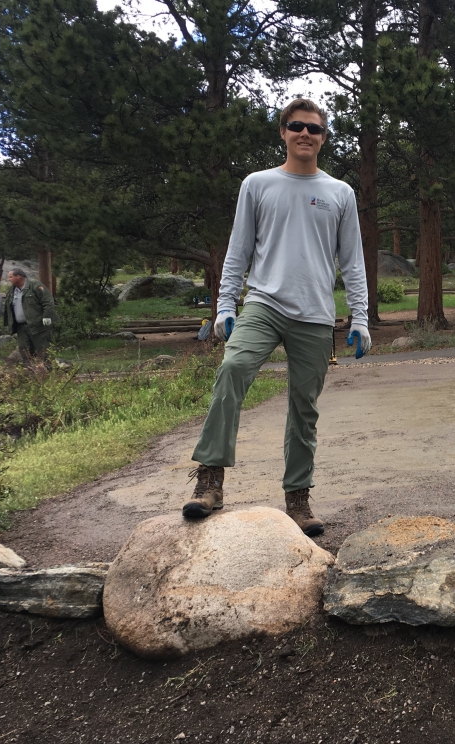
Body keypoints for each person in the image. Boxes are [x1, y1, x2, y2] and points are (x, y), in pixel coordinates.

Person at [183, 98, 370, 536]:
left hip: (315, 315)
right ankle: (210, 482)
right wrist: (225, 306)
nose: (305, 134)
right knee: (233, 368)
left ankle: (298, 499)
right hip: (264, 304)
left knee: (304, 409)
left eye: (314, 128)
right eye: (296, 126)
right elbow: (238, 250)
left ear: (324, 138)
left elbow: (354, 262)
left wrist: (359, 319)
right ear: (282, 132)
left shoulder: (339, 193)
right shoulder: (258, 184)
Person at [1, 268, 59, 365]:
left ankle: (47, 373)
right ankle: (29, 374)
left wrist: (47, 316)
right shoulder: (12, 290)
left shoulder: (34, 285)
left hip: (38, 326)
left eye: (10, 277)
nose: (9, 279)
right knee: (25, 351)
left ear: (18, 276)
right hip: (21, 328)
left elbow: (48, 301)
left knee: (43, 351)